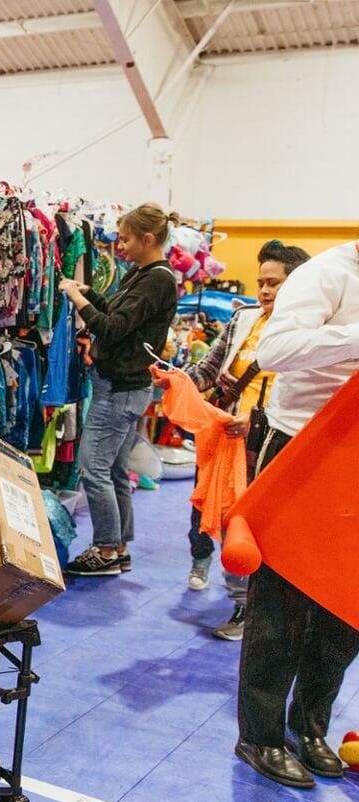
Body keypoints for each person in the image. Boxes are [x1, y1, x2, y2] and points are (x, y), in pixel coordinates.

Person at [233, 237, 359, 789]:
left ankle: (309, 726)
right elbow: (275, 350)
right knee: (282, 600)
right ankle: (259, 735)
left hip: (354, 453)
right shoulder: (329, 272)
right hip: (303, 448)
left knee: (346, 602)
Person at [177, 240, 310, 639]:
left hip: (276, 442)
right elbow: (209, 368)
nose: (265, 291)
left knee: (255, 527)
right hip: (229, 442)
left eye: (275, 283)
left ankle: (251, 608)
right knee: (215, 515)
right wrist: (177, 379)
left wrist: (253, 418)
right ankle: (229, 590)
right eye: (261, 282)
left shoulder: (311, 332)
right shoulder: (243, 319)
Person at [58, 204, 180, 577]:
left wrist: (78, 301)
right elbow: (120, 316)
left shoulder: (157, 279)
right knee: (112, 469)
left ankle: (107, 548)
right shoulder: (144, 274)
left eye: (126, 238)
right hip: (126, 385)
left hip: (120, 388)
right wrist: (91, 293)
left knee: (92, 469)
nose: (120, 245)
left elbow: (111, 329)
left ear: (147, 239)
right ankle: (119, 546)